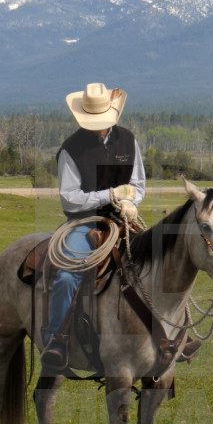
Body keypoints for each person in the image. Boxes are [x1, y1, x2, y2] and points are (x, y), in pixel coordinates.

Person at [43, 83, 145, 366]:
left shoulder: (128, 141)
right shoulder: (71, 150)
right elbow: (70, 200)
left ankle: (161, 339)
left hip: (122, 219)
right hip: (83, 223)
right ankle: (56, 339)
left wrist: (130, 202)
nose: (100, 128)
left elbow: (138, 184)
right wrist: (109, 194)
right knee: (66, 277)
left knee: (158, 263)